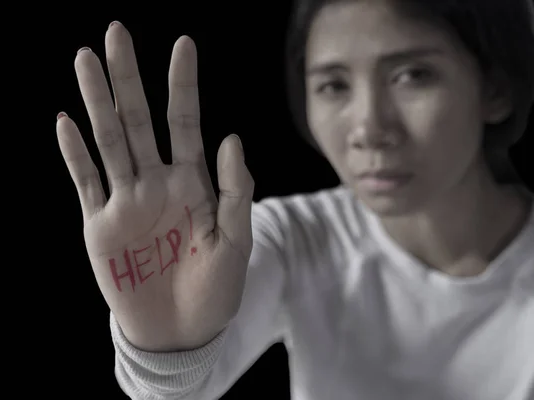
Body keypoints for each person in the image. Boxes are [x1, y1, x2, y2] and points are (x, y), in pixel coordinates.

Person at [56, 0, 534, 398]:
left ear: (494, 89)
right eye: (333, 85)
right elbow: (178, 393)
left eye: (412, 76)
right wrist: (168, 348)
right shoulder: (294, 237)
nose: (369, 128)